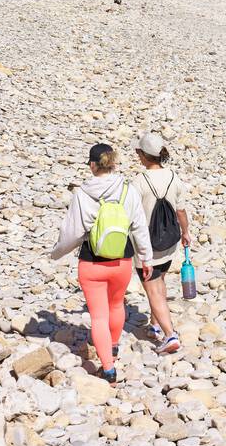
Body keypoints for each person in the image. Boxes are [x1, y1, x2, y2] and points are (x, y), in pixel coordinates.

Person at [49, 142, 152, 382]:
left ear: (93, 165)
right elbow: (139, 228)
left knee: (98, 316)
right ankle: (114, 346)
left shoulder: (83, 193)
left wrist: (56, 253)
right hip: (122, 260)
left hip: (91, 261)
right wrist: (146, 258)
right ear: (114, 164)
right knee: (117, 306)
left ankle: (107, 368)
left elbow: (73, 232)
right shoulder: (128, 190)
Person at [130, 131, 191, 355]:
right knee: (160, 281)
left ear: (145, 155)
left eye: (138, 152)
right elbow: (181, 210)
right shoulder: (173, 177)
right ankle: (154, 326)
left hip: (146, 245)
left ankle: (169, 335)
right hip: (169, 241)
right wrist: (186, 233)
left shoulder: (139, 181)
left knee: (152, 290)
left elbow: (131, 215)